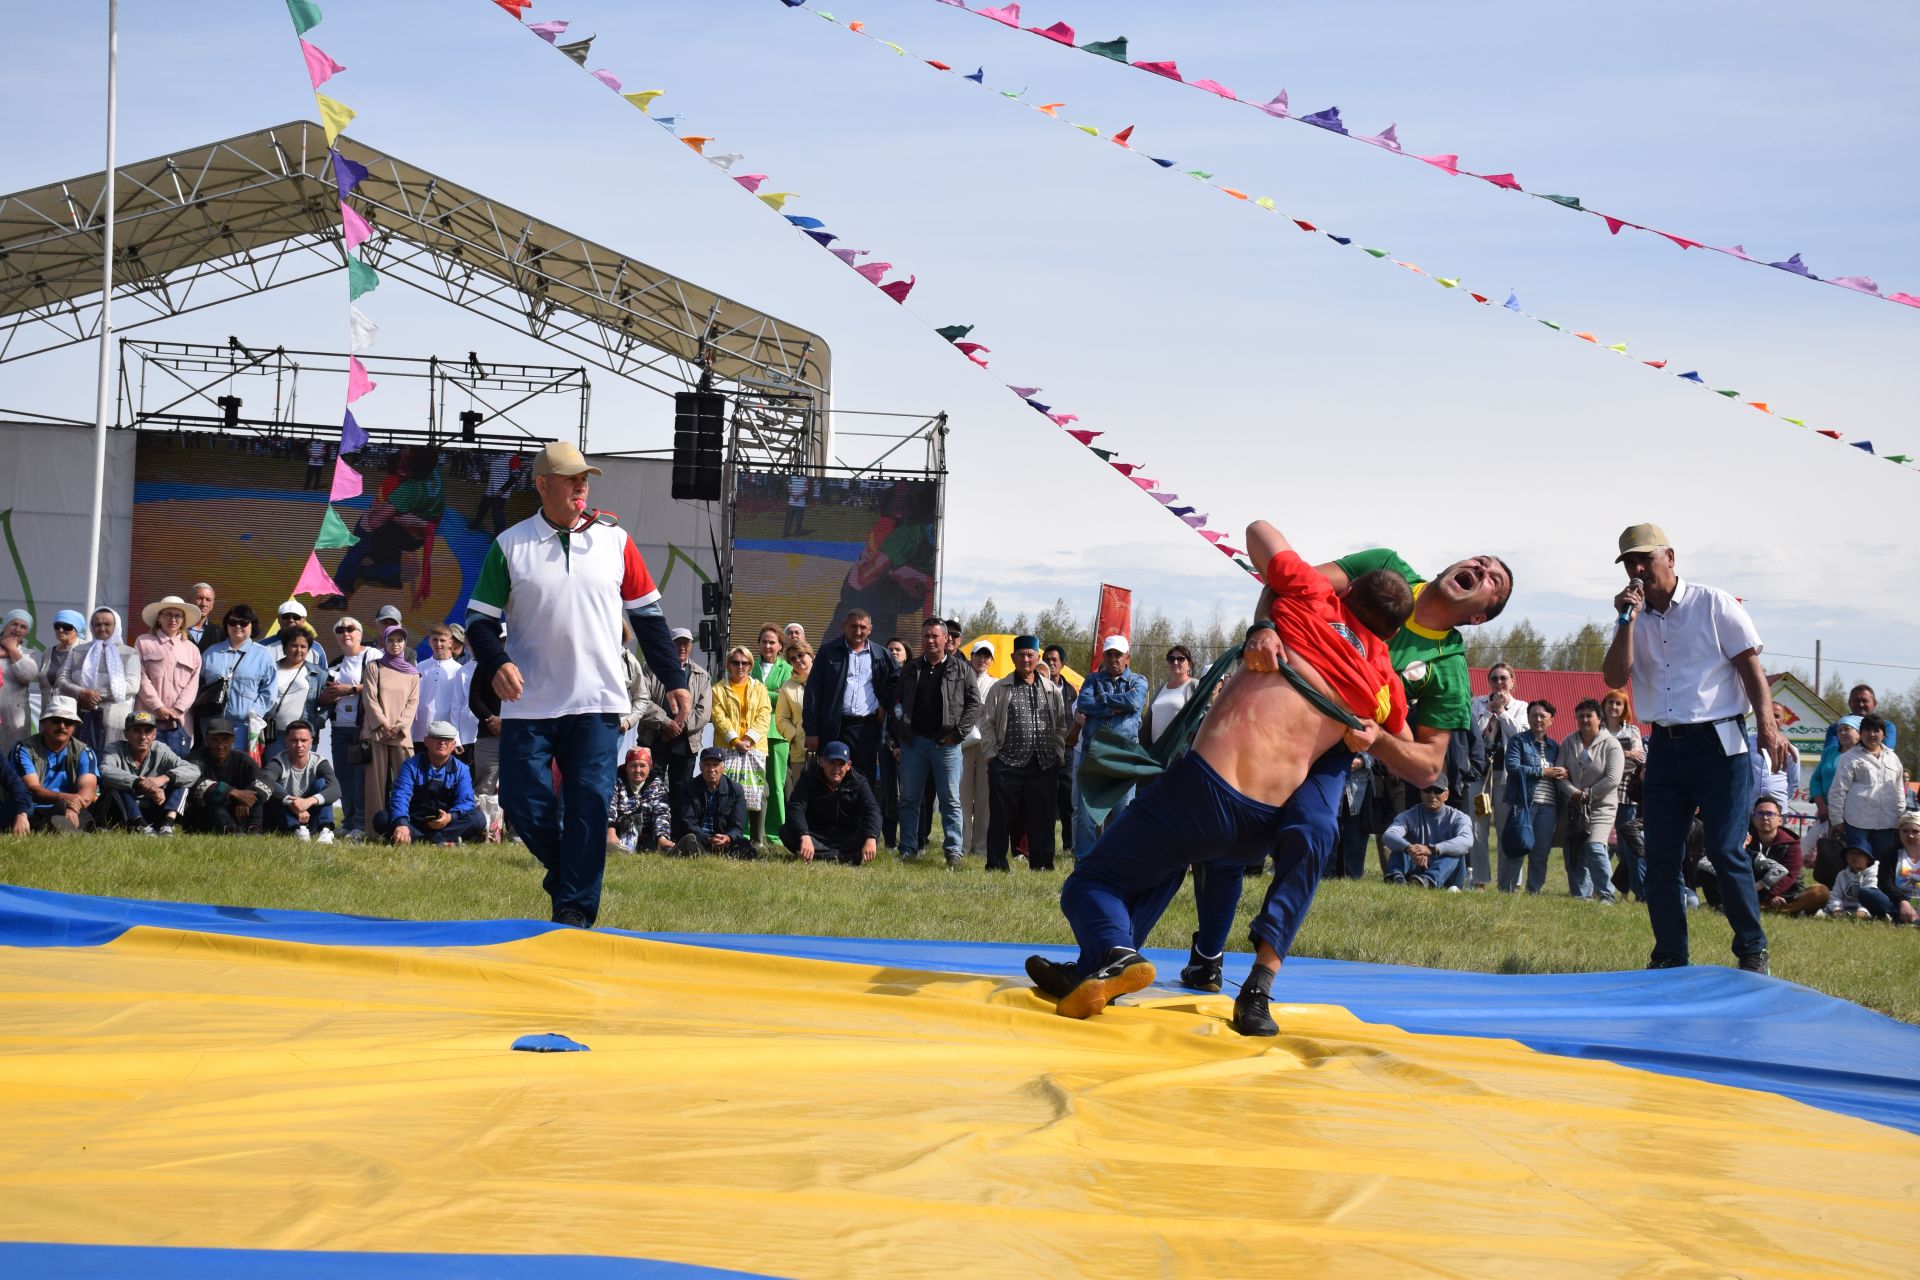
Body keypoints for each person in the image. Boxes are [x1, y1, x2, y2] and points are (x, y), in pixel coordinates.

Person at [1030, 520, 1412, 1025]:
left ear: (1348, 590)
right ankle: (1092, 970)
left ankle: (1116, 955)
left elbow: (1259, 531)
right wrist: (1375, 738)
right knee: (1158, 866)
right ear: (1391, 632)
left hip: (1205, 790)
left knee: (1091, 883)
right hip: (1261, 825)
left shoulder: (1314, 599)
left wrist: (1325, 585)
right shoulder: (1382, 677)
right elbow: (1408, 749)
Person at [464, 441, 690, 928]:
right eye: (570, 478)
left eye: (585, 478)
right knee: (521, 805)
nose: (581, 485)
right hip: (529, 704)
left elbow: (648, 618)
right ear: (542, 485)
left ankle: (574, 909)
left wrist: (673, 678)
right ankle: (571, 874)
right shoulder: (510, 545)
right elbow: (479, 622)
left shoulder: (616, 541)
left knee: (589, 803)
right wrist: (497, 661)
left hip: (598, 701)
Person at [1602, 523, 1787, 974]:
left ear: (1670, 556)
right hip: (1664, 746)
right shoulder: (1632, 617)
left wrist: (1766, 723)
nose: (1639, 568)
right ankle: (1669, 955)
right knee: (1660, 854)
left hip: (1719, 743)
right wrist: (1626, 620)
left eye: (1646, 558)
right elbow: (1612, 677)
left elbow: (1749, 664)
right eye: (1630, 562)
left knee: (1724, 850)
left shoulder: (1712, 602)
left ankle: (1752, 949)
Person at [892, 618, 983, 868]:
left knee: (950, 800)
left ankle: (953, 851)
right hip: (913, 744)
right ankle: (908, 848)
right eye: (925, 636)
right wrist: (901, 733)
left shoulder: (961, 669)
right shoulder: (910, 669)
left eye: (934, 636)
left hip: (947, 745)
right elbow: (897, 703)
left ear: (946, 639)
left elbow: (974, 704)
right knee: (909, 799)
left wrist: (958, 734)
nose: (930, 640)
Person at [980, 635, 1072, 872]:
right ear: (1013, 658)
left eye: (1030, 654)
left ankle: (1042, 864)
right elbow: (987, 723)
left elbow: (1061, 725)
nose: (1026, 659)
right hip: (1007, 763)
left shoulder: (1051, 689)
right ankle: (997, 865)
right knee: (1001, 819)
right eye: (1021, 655)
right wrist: (991, 756)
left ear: (1037, 657)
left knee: (1043, 819)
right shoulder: (1000, 688)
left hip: (1043, 765)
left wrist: (1057, 755)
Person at [803, 608, 899, 795]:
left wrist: (884, 703)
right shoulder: (828, 652)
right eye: (853, 626)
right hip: (832, 727)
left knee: (863, 780)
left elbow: (897, 680)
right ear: (844, 627)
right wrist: (812, 731)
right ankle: (829, 823)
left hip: (866, 728)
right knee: (829, 779)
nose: (858, 631)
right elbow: (813, 692)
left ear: (870, 629)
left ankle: (861, 823)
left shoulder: (881, 654)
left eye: (863, 627)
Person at [1072, 636, 1149, 853]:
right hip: (1093, 756)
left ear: (1127, 658)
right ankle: (1084, 866)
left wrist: (1102, 699)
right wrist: (1113, 707)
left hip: (1123, 757)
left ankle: (1116, 865)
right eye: (1109, 654)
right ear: (1104, 657)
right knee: (1087, 818)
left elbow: (1134, 702)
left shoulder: (1139, 681)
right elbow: (1084, 704)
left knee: (1122, 815)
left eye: (1118, 655)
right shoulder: (1092, 679)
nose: (1113, 659)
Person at [1828, 713, 1910, 896]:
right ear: (1861, 733)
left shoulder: (1893, 758)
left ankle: (1881, 900)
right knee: (1856, 862)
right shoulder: (1849, 758)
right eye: (1867, 730)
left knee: (1884, 863)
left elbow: (1899, 792)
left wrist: (1901, 820)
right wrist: (1836, 820)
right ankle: (1853, 899)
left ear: (1883, 734)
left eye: (1876, 730)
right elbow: (1837, 791)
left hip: (1887, 822)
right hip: (1857, 821)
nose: (1872, 734)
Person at [641, 627, 711, 836]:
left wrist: (678, 726)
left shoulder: (701, 675)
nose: (681, 647)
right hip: (654, 737)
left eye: (685, 643)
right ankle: (648, 832)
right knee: (651, 785)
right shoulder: (650, 669)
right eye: (677, 643)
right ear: (669, 645)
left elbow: (704, 711)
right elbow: (642, 700)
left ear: (690, 646)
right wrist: (665, 723)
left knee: (682, 789)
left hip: (685, 741)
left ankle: (678, 834)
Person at [374, 720, 485, 846]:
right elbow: (400, 796)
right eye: (437, 738)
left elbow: (466, 801)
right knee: (381, 818)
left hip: (446, 824)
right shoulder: (410, 765)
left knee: (478, 819)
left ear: (454, 744)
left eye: (447, 739)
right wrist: (402, 824)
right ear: (426, 741)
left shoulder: (462, 769)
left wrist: (450, 817)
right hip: (414, 822)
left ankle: (422, 839)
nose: (442, 742)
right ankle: (435, 840)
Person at [1558, 698, 1625, 903]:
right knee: (1575, 848)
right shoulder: (1569, 741)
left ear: (1599, 718)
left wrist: (1587, 794)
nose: (1584, 720)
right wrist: (1573, 793)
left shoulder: (1611, 744)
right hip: (1574, 806)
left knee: (1595, 846)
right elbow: (1560, 775)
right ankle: (1581, 895)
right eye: (1580, 716)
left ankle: (1606, 894)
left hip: (1601, 805)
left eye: (1589, 716)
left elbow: (1613, 779)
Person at [1469, 664, 1528, 889]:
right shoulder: (1477, 704)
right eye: (1494, 678)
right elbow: (1473, 732)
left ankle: (1510, 881)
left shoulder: (1522, 707)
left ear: (1513, 681)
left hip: (1507, 777)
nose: (1499, 682)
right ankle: (1480, 880)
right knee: (1477, 829)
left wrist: (1502, 713)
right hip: (1480, 776)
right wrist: (1490, 711)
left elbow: (1521, 736)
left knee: (1507, 830)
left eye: (1504, 678)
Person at [1498, 700, 1565, 893]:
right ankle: (1506, 890)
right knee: (1517, 847)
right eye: (1534, 715)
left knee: (1541, 852)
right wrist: (1543, 772)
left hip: (1549, 806)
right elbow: (1512, 767)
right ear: (1528, 718)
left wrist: (1563, 773)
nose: (1538, 719)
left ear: (1551, 720)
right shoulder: (1518, 741)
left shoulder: (1555, 746)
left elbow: (1560, 771)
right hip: (1524, 803)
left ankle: (1533, 892)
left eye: (1543, 716)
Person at [781, 740, 882, 865]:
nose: (836, 769)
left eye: (841, 764)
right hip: (816, 835)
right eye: (832, 763)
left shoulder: (859, 781)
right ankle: (842, 857)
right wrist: (804, 835)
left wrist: (871, 838)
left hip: (848, 836)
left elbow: (872, 810)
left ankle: (825, 856)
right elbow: (796, 807)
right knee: (786, 831)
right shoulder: (808, 778)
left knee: (870, 835)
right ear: (822, 762)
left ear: (849, 765)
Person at [712, 645, 775, 845]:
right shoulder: (718, 689)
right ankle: (726, 838)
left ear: (750, 665)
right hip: (728, 748)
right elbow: (718, 716)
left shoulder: (760, 688)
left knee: (760, 791)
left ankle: (757, 841)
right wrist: (735, 740)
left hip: (754, 748)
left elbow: (765, 715)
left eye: (745, 662)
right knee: (726, 792)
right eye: (736, 662)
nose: (740, 666)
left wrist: (748, 739)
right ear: (729, 665)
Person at [10, 695, 101, 833]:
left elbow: (88, 789)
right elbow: (32, 789)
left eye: (68, 722)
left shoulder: (84, 751)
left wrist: (72, 807)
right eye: (56, 720)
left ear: (75, 726)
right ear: (44, 722)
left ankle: (62, 827)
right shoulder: (24, 749)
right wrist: (64, 799)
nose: (62, 726)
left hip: (73, 808)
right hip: (34, 807)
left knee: (84, 813)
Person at [359, 623, 420, 824]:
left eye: (399, 640)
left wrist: (399, 726)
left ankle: (406, 826)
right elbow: (369, 698)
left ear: (405, 643)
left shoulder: (412, 673)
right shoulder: (374, 666)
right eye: (390, 640)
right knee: (375, 786)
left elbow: (413, 702)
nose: (395, 644)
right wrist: (384, 724)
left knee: (405, 783)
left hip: (401, 734)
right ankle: (374, 830)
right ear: (383, 642)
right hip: (377, 732)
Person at [100, 710, 199, 833]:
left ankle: (167, 825)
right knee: (117, 785)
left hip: (153, 806)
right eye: (137, 731)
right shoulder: (114, 748)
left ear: (154, 734)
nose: (142, 737)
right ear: (126, 734)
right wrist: (138, 783)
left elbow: (194, 770)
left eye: (147, 731)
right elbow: (105, 771)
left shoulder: (160, 749)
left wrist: (163, 779)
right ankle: (140, 825)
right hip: (123, 812)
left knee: (183, 781)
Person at [200, 605, 277, 752]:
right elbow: (198, 684)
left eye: (243, 623)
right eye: (233, 622)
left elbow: (270, 691)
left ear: (252, 625)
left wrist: (253, 713)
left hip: (243, 728)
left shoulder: (263, 655)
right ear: (226, 625)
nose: (238, 626)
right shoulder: (211, 653)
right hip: (212, 727)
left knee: (240, 771)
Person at [320, 617, 370, 838]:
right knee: (344, 777)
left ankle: (361, 823)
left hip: (362, 727)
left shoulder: (372, 656)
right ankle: (349, 821)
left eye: (350, 629)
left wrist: (349, 690)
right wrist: (327, 697)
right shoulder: (335, 664)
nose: (345, 633)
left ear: (360, 633)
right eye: (340, 630)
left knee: (361, 778)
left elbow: (379, 684)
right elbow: (325, 696)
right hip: (340, 726)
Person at [135, 595, 203, 760]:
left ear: (183, 620)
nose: (173, 619)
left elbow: (193, 685)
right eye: (168, 614)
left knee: (175, 770)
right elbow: (141, 678)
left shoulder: (192, 649)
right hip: (148, 720)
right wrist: (158, 707)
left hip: (179, 723)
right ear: (159, 618)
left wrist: (177, 709)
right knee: (145, 767)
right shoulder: (143, 642)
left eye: (177, 615)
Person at [64, 607, 137, 756]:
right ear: (92, 626)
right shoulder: (78, 650)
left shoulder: (130, 652)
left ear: (116, 625)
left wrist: (94, 696)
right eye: (97, 624)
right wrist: (82, 693)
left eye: (107, 624)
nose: (102, 628)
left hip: (114, 718)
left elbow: (132, 685)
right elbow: (62, 679)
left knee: (111, 759)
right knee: (80, 757)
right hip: (82, 713)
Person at [260, 720, 341, 842]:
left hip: (310, 814)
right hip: (286, 815)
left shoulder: (319, 761)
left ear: (311, 742)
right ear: (286, 742)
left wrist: (308, 802)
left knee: (322, 783)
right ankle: (297, 830)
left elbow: (336, 789)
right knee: (273, 786)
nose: (299, 745)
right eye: (294, 740)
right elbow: (265, 782)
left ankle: (325, 830)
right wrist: (291, 803)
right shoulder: (277, 762)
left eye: (303, 740)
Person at [1601, 689, 1648, 899]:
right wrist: (1625, 753)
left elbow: (1639, 760)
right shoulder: (1598, 729)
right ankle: (1602, 888)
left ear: (1624, 708)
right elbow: (1595, 759)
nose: (1613, 707)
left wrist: (1611, 753)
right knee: (1600, 841)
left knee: (1627, 843)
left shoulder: (1633, 731)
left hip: (1626, 792)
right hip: (1601, 790)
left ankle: (1635, 891)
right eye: (1610, 702)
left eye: (1618, 704)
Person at [184, 718, 265, 835]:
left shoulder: (242, 758)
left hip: (237, 810)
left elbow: (265, 780)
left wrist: (246, 799)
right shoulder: (195, 758)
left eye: (225, 740)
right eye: (214, 740)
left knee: (258, 794)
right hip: (205, 814)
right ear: (206, 740)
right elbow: (193, 782)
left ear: (233, 740)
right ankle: (232, 831)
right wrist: (232, 791)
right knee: (215, 797)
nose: (220, 745)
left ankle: (254, 829)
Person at [1382, 782, 1474, 886]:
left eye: (1438, 791)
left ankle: (1428, 881)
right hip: (1416, 870)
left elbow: (1467, 841)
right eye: (1427, 790)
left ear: (1447, 795)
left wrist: (1432, 849)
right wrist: (1410, 849)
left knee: (1455, 851)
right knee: (1399, 846)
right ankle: (1396, 879)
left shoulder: (1459, 817)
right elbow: (1388, 835)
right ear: (1421, 793)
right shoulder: (1410, 815)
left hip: (1449, 875)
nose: (1432, 795)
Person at [751, 624, 793, 837]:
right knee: (753, 784)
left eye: (772, 642)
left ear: (780, 646)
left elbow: (785, 696)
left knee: (777, 785)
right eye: (764, 641)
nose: (767, 645)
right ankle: (751, 832)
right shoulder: (749, 666)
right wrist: (772, 693)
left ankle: (777, 833)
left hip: (777, 734)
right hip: (752, 734)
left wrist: (758, 692)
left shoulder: (787, 668)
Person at [959, 638, 998, 858]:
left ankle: (981, 847)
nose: (982, 659)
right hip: (963, 744)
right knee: (962, 797)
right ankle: (962, 845)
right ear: (971, 656)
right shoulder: (961, 679)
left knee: (984, 798)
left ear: (991, 660)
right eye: (978, 655)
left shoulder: (996, 683)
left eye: (986, 656)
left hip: (985, 746)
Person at [675, 745, 750, 857]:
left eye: (716, 765)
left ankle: (707, 853)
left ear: (723, 768)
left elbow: (738, 826)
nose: (711, 769)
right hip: (699, 837)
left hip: (724, 840)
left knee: (747, 850)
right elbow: (688, 821)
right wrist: (707, 838)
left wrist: (728, 837)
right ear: (700, 767)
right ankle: (702, 852)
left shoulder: (736, 790)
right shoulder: (688, 788)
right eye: (707, 765)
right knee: (690, 841)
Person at [410, 624, 474, 751]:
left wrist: (457, 737)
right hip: (420, 732)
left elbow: (459, 705)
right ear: (429, 641)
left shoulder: (459, 670)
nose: (438, 644)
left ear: (450, 643)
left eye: (442, 640)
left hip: (447, 732)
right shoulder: (419, 668)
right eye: (435, 640)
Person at [1042, 643, 1078, 854]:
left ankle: (1068, 845)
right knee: (1044, 801)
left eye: (1055, 660)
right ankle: (1045, 845)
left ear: (1062, 664)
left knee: (1067, 800)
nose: (1051, 663)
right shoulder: (1036, 687)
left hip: (1067, 752)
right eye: (1047, 659)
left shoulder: (1071, 691)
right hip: (1043, 753)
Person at [265, 625, 326, 748]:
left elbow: (329, 704)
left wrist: (314, 726)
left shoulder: (318, 674)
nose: (299, 650)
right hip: (273, 736)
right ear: (285, 648)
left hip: (303, 738)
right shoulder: (270, 669)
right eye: (294, 646)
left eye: (303, 646)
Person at [607, 746, 673, 853]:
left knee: (652, 847)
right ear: (626, 767)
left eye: (642, 766)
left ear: (649, 768)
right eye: (633, 765)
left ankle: (665, 847)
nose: (638, 770)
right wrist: (610, 831)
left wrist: (662, 837)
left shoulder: (658, 785)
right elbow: (610, 806)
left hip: (645, 833)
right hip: (618, 830)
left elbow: (661, 813)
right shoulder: (615, 781)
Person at [1822, 840, 1899, 920]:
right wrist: (1836, 909)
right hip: (1845, 909)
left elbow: (1871, 895)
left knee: (1867, 892)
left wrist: (1863, 910)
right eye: (1851, 853)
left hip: (1869, 910)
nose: (1854, 856)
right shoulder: (1842, 875)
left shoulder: (1875, 873)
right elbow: (1835, 895)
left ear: (1868, 859)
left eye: (1859, 853)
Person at [0, 609, 40, 758]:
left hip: (14, 718)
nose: (18, 629)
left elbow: (28, 675)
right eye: (14, 624)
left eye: (23, 627)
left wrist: (11, 650)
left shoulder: (28, 654)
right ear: (5, 625)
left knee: (13, 757)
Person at [1141, 645, 1198, 748]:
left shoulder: (1195, 686)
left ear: (1189, 664)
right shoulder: (1161, 689)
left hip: (1179, 754)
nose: (1175, 662)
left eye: (1180, 659)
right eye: (1171, 659)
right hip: (1155, 752)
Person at [775, 644, 812, 800]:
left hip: (827, 749)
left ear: (811, 655)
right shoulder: (787, 687)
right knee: (802, 798)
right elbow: (781, 719)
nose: (797, 660)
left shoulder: (827, 678)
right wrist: (796, 737)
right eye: (792, 658)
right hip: (801, 752)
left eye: (801, 655)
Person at [187, 583, 219, 651]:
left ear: (212, 605)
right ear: (189, 601)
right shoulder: (177, 630)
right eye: (199, 598)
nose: (204, 604)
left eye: (208, 600)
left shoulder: (219, 633)